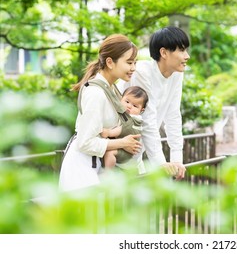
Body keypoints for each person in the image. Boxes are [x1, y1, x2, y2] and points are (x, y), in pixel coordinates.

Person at [58, 34, 142, 192]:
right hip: (82, 170)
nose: (133, 68)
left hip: (96, 166)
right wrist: (123, 143)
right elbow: (85, 142)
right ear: (110, 62)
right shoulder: (96, 93)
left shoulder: (111, 88)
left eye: (135, 63)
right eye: (129, 62)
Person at [120, 26, 189, 179]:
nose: (187, 56)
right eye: (182, 50)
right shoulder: (142, 72)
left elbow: (173, 115)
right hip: (116, 148)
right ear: (163, 52)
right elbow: (147, 118)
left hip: (136, 150)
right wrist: (160, 163)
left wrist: (177, 159)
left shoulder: (176, 74)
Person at [100, 86, 148, 169]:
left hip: (127, 152)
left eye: (135, 106)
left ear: (141, 110)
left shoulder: (134, 119)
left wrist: (109, 133)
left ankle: (108, 173)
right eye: (127, 101)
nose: (129, 106)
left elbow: (124, 129)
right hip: (123, 147)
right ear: (121, 99)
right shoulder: (123, 114)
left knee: (109, 153)